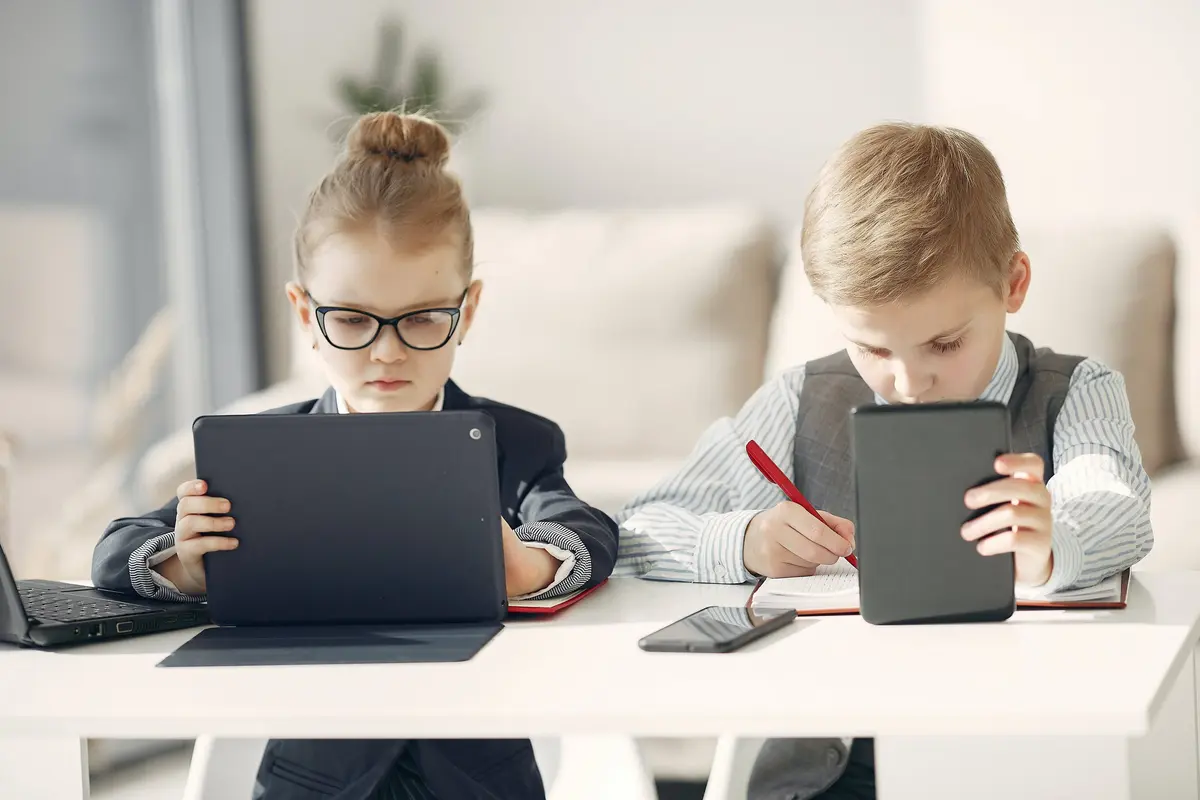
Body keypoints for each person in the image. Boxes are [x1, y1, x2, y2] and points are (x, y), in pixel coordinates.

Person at [615, 122, 1153, 799]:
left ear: (1013, 283)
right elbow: (637, 530)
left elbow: (1122, 512)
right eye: (872, 349)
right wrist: (744, 540)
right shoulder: (799, 397)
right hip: (828, 763)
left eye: (945, 344)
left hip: (1015, 749)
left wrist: (1055, 542)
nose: (906, 382)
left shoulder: (1076, 390)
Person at [93, 111, 619, 800]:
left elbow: (592, 531)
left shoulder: (517, 443)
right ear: (306, 315)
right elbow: (114, 550)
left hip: (478, 781)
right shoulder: (261, 454)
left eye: (425, 317)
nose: (387, 351)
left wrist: (531, 565)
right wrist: (185, 564)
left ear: (470, 308)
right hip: (314, 783)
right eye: (351, 319)